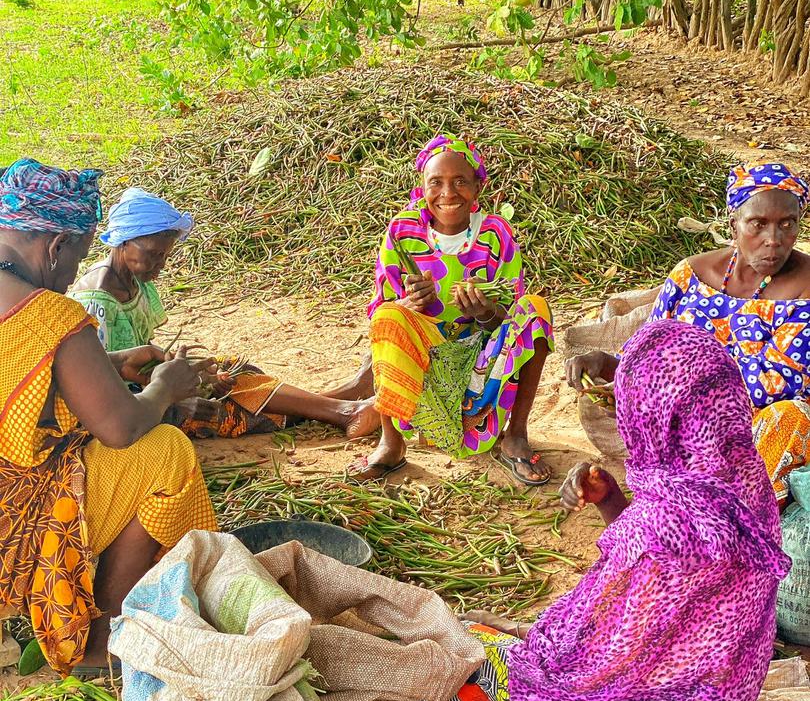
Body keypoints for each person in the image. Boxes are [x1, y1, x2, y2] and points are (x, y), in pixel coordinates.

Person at [412, 321, 790, 701]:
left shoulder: (664, 518)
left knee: (444, 663)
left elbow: (609, 647)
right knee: (475, 640)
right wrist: (610, 498)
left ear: (649, 417)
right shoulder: (745, 479)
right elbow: (670, 590)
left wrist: (521, 635)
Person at [0, 159, 218, 675]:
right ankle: (100, 638)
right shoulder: (47, 314)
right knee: (162, 451)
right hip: (12, 526)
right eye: (78, 255)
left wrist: (109, 363)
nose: (73, 273)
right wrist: (164, 388)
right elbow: (121, 427)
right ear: (57, 246)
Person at [566, 162, 810, 505]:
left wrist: (668, 394)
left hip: (752, 430)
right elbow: (649, 351)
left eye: (787, 224)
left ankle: (721, 513)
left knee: (789, 417)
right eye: (758, 224)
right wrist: (609, 364)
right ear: (734, 224)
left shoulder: (805, 287)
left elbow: (768, 388)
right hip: (682, 424)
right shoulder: (691, 274)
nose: (773, 239)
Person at [71, 188, 379, 440]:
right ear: (123, 242)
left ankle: (340, 402)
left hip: (148, 387)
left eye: (165, 255)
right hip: (133, 410)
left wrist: (193, 374)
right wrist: (173, 392)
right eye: (153, 254)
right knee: (230, 406)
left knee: (233, 372)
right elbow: (102, 382)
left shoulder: (135, 281)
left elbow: (141, 354)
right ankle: (343, 407)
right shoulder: (95, 302)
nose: (160, 264)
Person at [346, 134, 554, 485]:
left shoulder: (495, 234)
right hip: (425, 360)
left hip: (482, 362)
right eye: (436, 182)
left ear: (477, 187)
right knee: (388, 317)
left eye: (460, 181)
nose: (448, 193)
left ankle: (516, 435)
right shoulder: (402, 231)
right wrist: (410, 305)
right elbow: (379, 310)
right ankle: (391, 443)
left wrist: (485, 313)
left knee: (536, 309)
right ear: (422, 187)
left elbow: (511, 317)